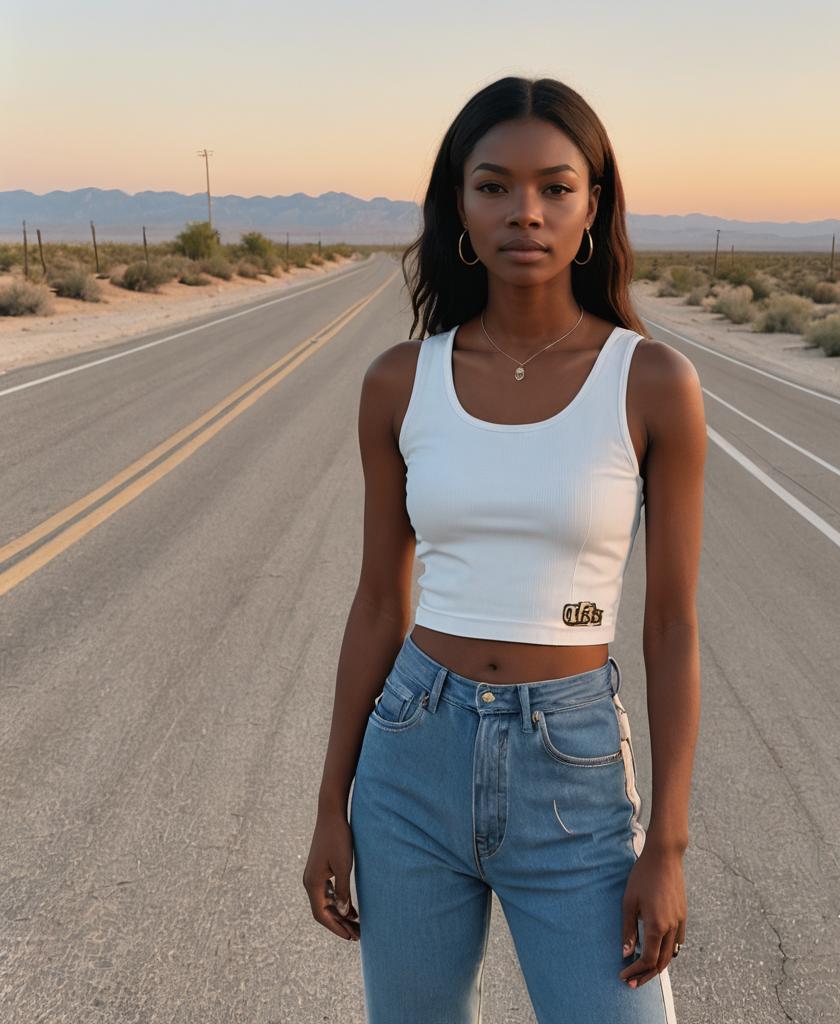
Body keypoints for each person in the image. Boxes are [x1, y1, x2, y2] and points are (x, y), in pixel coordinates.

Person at [303, 75, 706, 1024]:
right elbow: (376, 604)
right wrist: (332, 804)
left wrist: (670, 846)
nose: (525, 211)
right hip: (410, 758)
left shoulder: (651, 383)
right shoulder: (399, 382)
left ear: (593, 207)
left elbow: (675, 623)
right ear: (459, 206)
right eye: (493, 186)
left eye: (555, 187)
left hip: (569, 770)